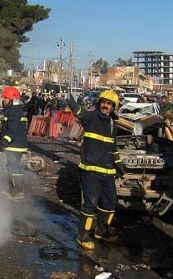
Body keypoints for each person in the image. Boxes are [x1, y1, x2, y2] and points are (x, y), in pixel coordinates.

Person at [68, 89, 122, 250]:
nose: (106, 106)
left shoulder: (113, 124)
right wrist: (71, 100)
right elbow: (79, 112)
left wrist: (118, 163)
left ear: (113, 107)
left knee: (109, 202)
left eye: (109, 104)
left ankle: (101, 230)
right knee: (90, 204)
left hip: (108, 171)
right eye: (104, 102)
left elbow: (113, 146)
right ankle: (83, 236)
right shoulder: (91, 118)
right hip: (91, 170)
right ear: (99, 103)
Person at [0, 86, 29, 199]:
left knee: (14, 169)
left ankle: (18, 192)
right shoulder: (13, 110)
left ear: (11, 99)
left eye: (5, 98)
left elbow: (13, 130)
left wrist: (4, 142)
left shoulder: (15, 112)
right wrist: (1, 135)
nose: (3, 100)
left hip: (15, 146)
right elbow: (8, 127)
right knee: (11, 167)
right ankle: (12, 191)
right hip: (14, 145)